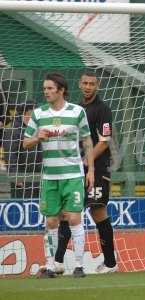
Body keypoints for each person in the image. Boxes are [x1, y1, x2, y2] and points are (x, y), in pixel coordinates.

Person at [23, 72, 94, 278]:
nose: (46, 92)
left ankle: (79, 266)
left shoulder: (77, 111)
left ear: (61, 90)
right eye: (44, 89)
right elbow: (25, 143)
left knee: (73, 218)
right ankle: (51, 265)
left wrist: (91, 170)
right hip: (49, 177)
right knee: (51, 221)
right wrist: (37, 137)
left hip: (73, 174)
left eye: (50, 88)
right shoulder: (38, 114)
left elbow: (87, 141)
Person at [54, 71, 117, 274]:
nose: (88, 86)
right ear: (80, 84)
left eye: (92, 83)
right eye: (85, 83)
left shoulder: (103, 109)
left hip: (97, 169)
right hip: (74, 168)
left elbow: (104, 141)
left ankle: (110, 263)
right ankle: (58, 262)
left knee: (97, 211)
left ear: (97, 86)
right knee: (68, 212)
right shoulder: (74, 109)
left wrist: (85, 161)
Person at [2, 103, 42, 198]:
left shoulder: (36, 128)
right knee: (23, 204)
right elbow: (10, 155)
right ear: (24, 114)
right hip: (22, 178)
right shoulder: (13, 130)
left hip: (37, 176)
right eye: (33, 115)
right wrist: (15, 175)